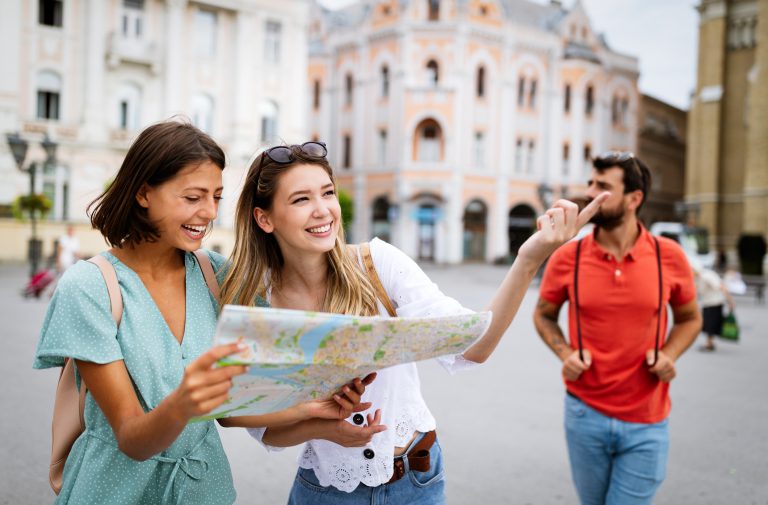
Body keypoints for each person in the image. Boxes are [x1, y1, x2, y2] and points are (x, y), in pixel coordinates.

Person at [218, 141, 608, 504]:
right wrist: (323, 425)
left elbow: (474, 347)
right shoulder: (258, 302)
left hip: (415, 483)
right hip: (324, 489)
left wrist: (528, 259)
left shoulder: (377, 264)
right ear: (264, 218)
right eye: (301, 199)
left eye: (328, 192)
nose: (323, 210)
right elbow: (257, 423)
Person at [33, 121, 375, 504]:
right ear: (144, 193)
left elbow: (229, 411)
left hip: (203, 490)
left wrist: (311, 412)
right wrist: (184, 403)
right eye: (193, 197)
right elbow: (132, 439)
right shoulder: (88, 287)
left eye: (217, 197)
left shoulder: (216, 275)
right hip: (112, 490)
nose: (209, 212)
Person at [533, 151, 702, 505]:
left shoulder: (669, 256)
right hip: (584, 415)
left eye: (603, 186)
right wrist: (565, 353)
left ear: (633, 199)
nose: (590, 192)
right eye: (590, 183)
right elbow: (544, 314)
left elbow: (690, 317)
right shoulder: (567, 257)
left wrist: (670, 354)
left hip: (647, 419)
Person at [694, 264, 736, 351]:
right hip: (707, 303)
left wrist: (730, 302)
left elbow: (722, 287)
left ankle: (709, 343)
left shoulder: (707, 276)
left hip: (715, 302)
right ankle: (709, 342)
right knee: (707, 323)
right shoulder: (697, 278)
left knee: (711, 324)